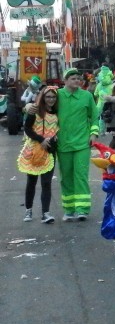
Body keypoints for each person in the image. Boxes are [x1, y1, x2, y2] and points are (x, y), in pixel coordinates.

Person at [26, 68, 99, 221]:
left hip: (82, 144)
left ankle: (82, 209)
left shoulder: (86, 96)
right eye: (73, 78)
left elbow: (94, 118)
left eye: (78, 78)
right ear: (65, 80)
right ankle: (69, 209)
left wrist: (93, 134)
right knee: (65, 177)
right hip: (62, 145)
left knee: (80, 175)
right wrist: (27, 107)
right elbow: (40, 103)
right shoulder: (57, 95)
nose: (77, 81)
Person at [18, 86, 59, 224]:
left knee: (46, 183)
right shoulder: (35, 110)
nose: (51, 99)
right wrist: (41, 139)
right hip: (34, 150)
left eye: (53, 97)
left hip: (49, 150)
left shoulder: (58, 112)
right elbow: (27, 129)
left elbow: (58, 130)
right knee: (32, 182)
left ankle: (45, 213)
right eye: (48, 97)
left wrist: (51, 140)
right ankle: (28, 210)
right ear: (43, 97)